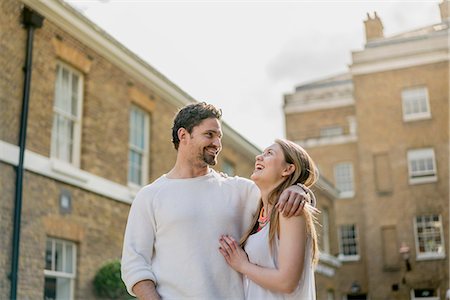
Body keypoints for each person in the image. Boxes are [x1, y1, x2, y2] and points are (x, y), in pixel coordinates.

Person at [121, 102, 312, 300]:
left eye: (219, 137)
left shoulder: (239, 190)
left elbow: (281, 191)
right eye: (209, 135)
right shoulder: (150, 196)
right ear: (183, 135)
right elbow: (134, 265)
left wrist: (299, 189)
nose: (217, 144)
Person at [219, 138, 319, 299]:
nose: (259, 157)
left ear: (287, 169)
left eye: (269, 153)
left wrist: (243, 265)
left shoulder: (290, 210)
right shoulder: (259, 212)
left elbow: (287, 282)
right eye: (262, 153)